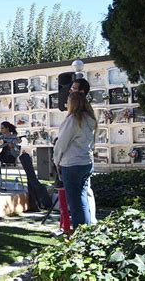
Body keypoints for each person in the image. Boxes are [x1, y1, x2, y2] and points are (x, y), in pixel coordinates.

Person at [53, 92, 97, 230]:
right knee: (83, 200)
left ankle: (79, 234)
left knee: (74, 203)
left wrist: (56, 160)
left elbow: (61, 143)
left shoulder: (72, 120)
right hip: (86, 163)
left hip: (72, 164)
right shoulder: (90, 120)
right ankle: (87, 230)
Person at [69, 77, 98, 224]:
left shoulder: (80, 115)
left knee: (81, 198)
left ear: (81, 92)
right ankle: (90, 224)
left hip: (77, 160)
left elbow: (66, 141)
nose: (70, 91)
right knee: (85, 195)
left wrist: (58, 158)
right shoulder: (88, 114)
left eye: (74, 89)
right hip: (85, 159)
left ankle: (87, 225)